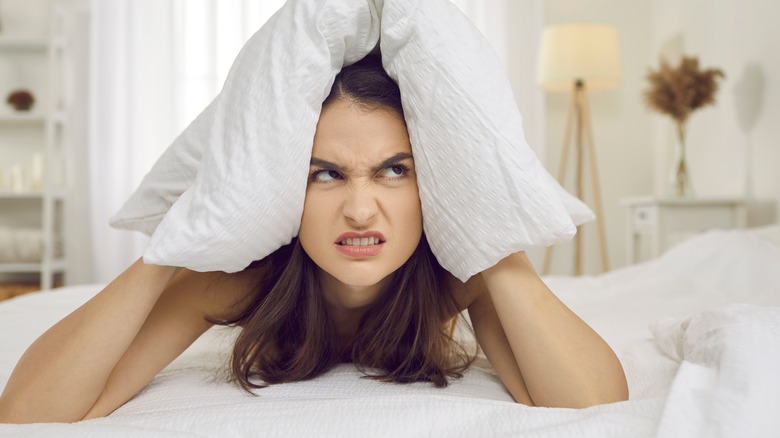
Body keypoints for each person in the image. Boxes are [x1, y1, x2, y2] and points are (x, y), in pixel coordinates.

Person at [0, 56, 628, 424]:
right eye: (325, 174)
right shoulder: (241, 278)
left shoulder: (459, 274)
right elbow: (31, 414)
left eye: (395, 169)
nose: (360, 210)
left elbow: (596, 408)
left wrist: (490, 228)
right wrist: (170, 245)